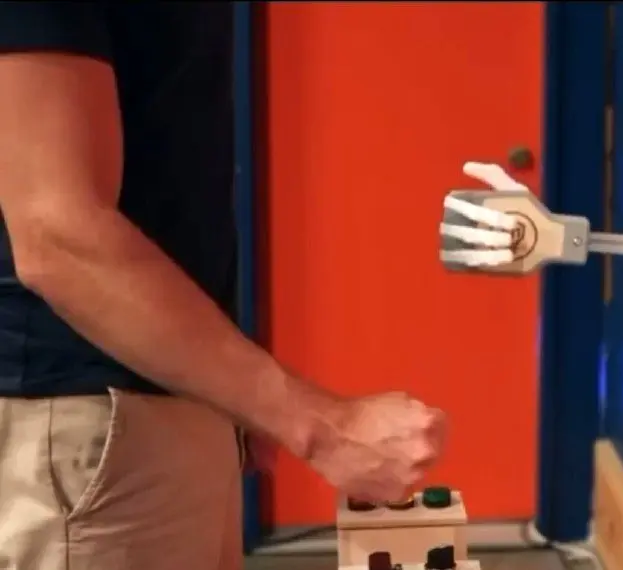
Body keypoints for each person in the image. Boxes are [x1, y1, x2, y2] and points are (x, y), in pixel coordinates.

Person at [0, 4, 447, 569]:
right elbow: (57, 236)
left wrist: (231, 389)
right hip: (87, 429)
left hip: (162, 407)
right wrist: (321, 426)